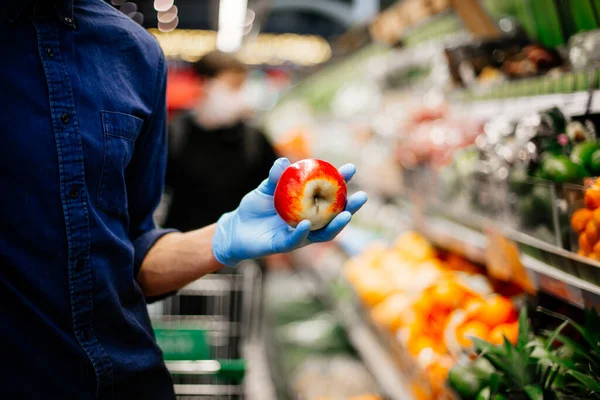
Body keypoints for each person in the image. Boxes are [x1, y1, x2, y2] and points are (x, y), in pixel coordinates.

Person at [0, 1, 367, 399]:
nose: (237, 93)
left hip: (136, 379)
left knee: (224, 348)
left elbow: (130, 248)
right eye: (230, 84)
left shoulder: (135, 55)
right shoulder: (181, 135)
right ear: (205, 85)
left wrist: (221, 239)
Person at [165, 51, 279, 232]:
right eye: (233, 86)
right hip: (182, 240)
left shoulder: (254, 139)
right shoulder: (174, 134)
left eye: (243, 86)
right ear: (204, 85)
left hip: (238, 244)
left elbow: (276, 191)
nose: (241, 95)